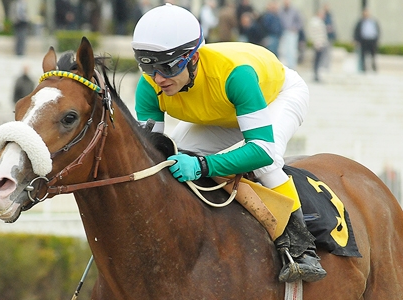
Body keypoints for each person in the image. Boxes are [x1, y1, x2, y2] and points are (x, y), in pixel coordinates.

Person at [131, 3, 327, 283]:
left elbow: (261, 149)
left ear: (194, 58)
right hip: (222, 112)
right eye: (148, 66)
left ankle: (301, 246)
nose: (158, 78)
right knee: (171, 154)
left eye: (167, 66)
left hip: (276, 96)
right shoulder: (149, 85)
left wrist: (202, 165)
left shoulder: (236, 74)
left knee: (268, 164)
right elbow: (150, 154)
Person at [278, 0, 303, 69]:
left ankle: (292, 65)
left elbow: (300, 21)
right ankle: (287, 65)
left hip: (292, 32)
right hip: (284, 32)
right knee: (285, 50)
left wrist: (295, 28)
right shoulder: (281, 11)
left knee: (292, 49)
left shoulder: (294, 10)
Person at [354, 8, 380, 72]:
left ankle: (374, 68)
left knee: (373, 55)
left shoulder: (373, 22)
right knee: (363, 55)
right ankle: (363, 69)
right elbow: (356, 31)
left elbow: (377, 31)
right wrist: (356, 40)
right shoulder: (360, 22)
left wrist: (377, 39)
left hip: (372, 40)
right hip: (364, 40)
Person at [307, 9, 328, 82]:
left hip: (321, 43)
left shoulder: (319, 21)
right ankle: (316, 74)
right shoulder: (315, 22)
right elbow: (315, 34)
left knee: (319, 60)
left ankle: (317, 74)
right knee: (317, 60)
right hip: (318, 44)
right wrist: (317, 43)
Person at [321, 3, 336, 70]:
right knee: (323, 52)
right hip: (323, 36)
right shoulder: (323, 16)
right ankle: (323, 65)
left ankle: (327, 66)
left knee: (328, 52)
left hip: (329, 36)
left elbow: (332, 26)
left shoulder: (330, 16)